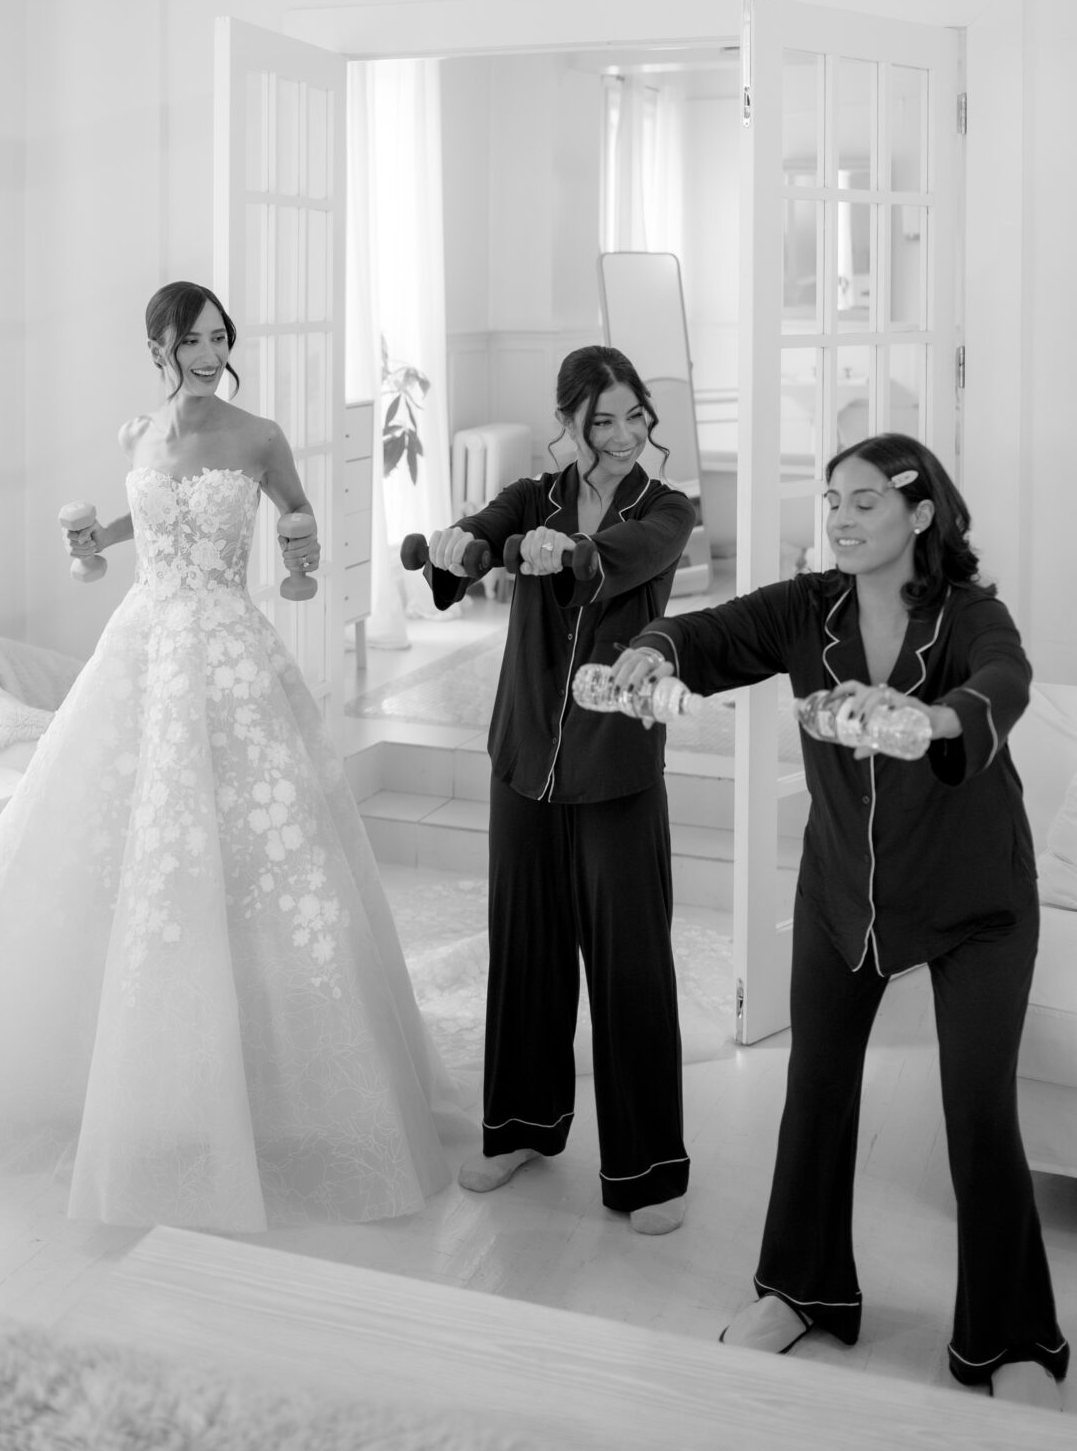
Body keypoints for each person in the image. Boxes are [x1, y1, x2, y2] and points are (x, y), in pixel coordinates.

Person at [0, 281, 456, 1229]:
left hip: (226, 651)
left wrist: (302, 555)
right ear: (157, 347)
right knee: (124, 853)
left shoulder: (259, 435)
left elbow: (299, 528)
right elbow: (143, 527)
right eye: (192, 339)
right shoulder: (137, 436)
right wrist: (93, 539)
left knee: (262, 863)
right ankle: (131, 1085)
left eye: (218, 337)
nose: (209, 351)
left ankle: (270, 1088)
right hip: (143, 644)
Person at [610, 432, 1069, 1408]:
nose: (843, 519)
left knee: (978, 1114)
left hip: (976, 898)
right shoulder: (805, 607)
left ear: (920, 513)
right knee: (814, 1093)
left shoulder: (969, 614)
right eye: (832, 502)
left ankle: (1013, 1333)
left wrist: (935, 721)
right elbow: (706, 635)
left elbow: (1006, 679)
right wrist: (653, 649)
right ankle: (800, 1289)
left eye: (865, 501)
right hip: (841, 897)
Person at [417, 345, 696, 1234]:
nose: (622, 436)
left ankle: (648, 1170)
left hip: (614, 766)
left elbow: (609, 558)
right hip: (525, 756)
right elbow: (479, 536)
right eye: (600, 421)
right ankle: (520, 1129)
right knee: (525, 951)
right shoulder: (532, 496)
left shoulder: (670, 509)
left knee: (630, 967)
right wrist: (460, 550)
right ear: (567, 427)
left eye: (634, 417)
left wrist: (566, 549)